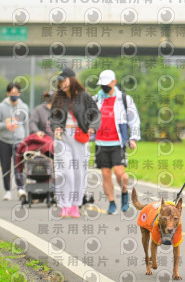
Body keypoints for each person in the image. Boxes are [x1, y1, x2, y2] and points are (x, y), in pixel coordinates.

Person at [50, 68, 101, 218]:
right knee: (65, 171)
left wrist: (92, 127)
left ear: (71, 79)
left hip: (79, 137)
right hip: (62, 137)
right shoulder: (58, 97)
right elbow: (53, 116)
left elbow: (96, 113)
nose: (62, 84)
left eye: (64, 81)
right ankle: (64, 205)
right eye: (59, 82)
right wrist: (56, 127)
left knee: (79, 173)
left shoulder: (84, 96)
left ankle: (75, 205)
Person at [92, 69, 140, 214]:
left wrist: (133, 138)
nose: (104, 87)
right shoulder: (95, 99)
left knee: (120, 173)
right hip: (101, 142)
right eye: (102, 84)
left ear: (114, 82)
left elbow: (133, 119)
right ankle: (112, 202)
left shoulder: (124, 99)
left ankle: (124, 194)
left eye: (107, 83)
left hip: (117, 142)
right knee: (105, 173)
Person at [0, 83, 29, 201]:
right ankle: (7, 191)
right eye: (12, 93)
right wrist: (5, 125)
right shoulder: (1, 107)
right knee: (6, 166)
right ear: (7, 93)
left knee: (19, 166)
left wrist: (27, 141)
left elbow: (26, 125)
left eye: (16, 93)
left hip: (19, 141)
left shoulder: (24, 107)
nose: (14, 95)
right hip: (4, 140)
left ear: (19, 93)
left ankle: (20, 189)